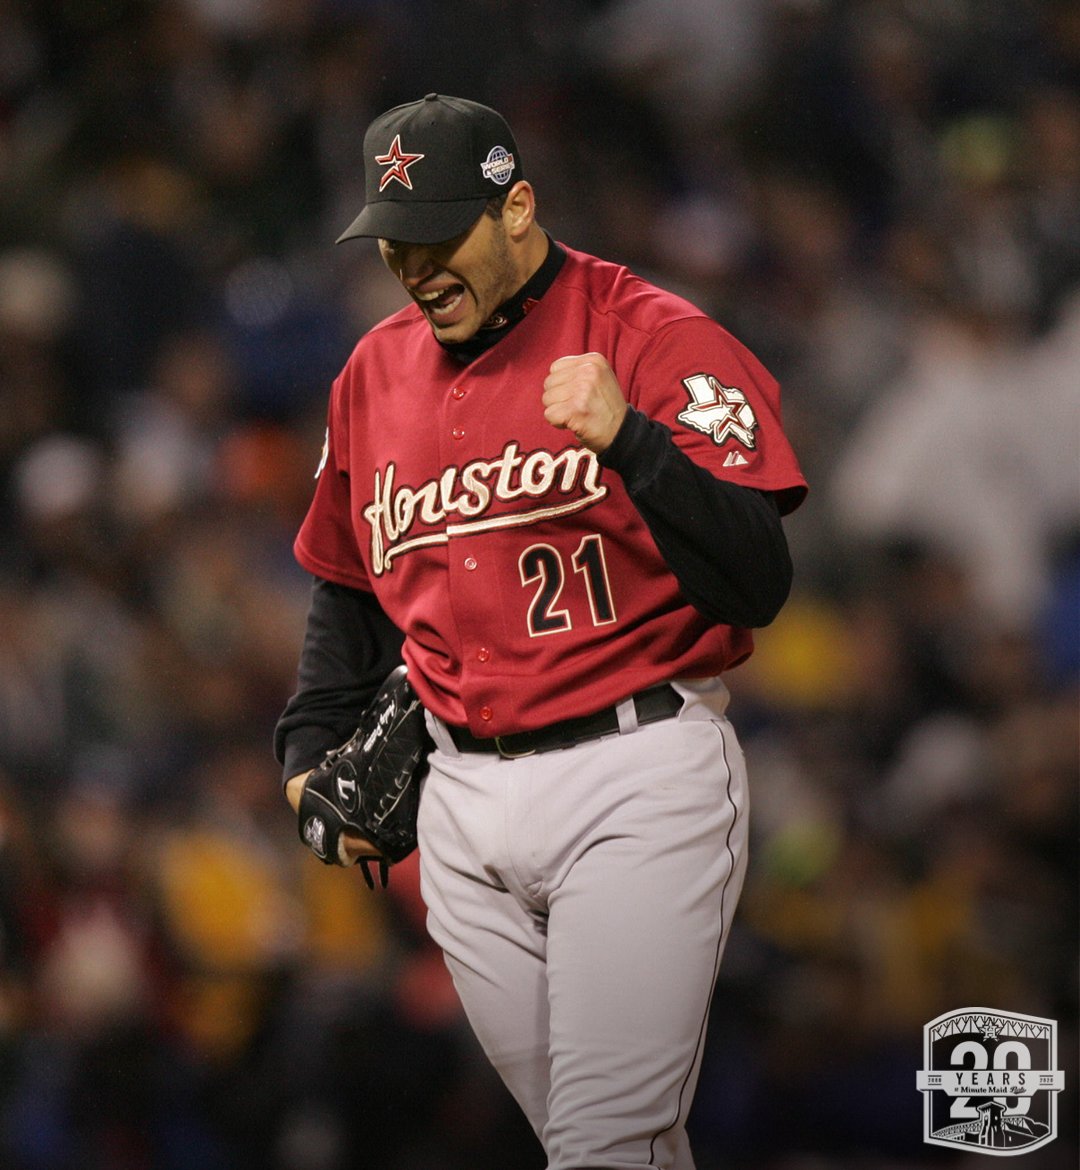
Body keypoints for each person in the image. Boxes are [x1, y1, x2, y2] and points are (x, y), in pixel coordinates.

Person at [275, 93, 806, 1169]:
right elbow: (347, 588)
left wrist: (634, 444)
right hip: (459, 807)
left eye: (439, 236)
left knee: (604, 1140)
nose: (417, 267)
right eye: (395, 244)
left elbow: (758, 577)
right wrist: (303, 751)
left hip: (636, 771)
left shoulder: (654, 337)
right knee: (611, 1144)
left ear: (517, 207)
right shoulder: (372, 374)